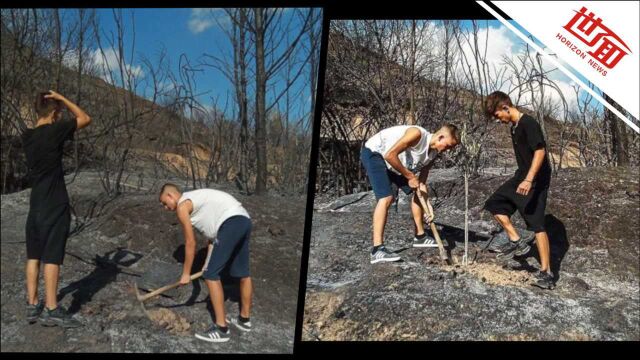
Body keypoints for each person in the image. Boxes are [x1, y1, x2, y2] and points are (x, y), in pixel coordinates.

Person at [23, 90, 91, 327]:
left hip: (36, 204)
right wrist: (63, 99)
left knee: (33, 254)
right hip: (55, 203)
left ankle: (32, 304)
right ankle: (52, 308)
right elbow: (84, 118)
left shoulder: (27, 136)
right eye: (58, 111)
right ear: (54, 112)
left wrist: (51, 104)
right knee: (52, 255)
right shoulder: (55, 130)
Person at [159, 184, 253, 342]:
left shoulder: (183, 206)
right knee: (242, 274)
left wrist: (186, 273)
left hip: (230, 223)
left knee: (211, 276)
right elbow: (213, 238)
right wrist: (207, 264)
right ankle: (244, 320)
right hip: (243, 221)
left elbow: (190, 243)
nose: (165, 207)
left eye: (164, 203)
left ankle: (222, 329)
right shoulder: (197, 201)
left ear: (170, 196)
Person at [483, 91, 554, 290]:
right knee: (495, 204)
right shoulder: (514, 127)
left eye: (498, 115)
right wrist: (522, 178)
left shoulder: (528, 123)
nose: (498, 120)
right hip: (520, 175)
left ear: (506, 107)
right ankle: (516, 239)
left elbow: (540, 151)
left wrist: (530, 179)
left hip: (536, 179)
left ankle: (547, 272)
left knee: (537, 224)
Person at [360, 124, 459, 264]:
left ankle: (420, 236)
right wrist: (410, 176)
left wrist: (428, 207)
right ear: (440, 137)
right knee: (387, 197)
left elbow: (421, 184)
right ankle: (377, 250)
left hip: (392, 163)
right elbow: (389, 155)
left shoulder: (434, 153)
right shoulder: (417, 134)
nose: (448, 150)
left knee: (416, 190)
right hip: (375, 153)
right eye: (448, 146)